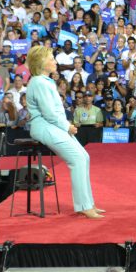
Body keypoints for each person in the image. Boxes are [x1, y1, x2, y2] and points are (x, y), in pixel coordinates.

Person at [25, 46, 103, 219]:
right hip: (44, 126)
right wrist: (67, 126)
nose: (55, 61)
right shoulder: (38, 82)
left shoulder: (45, 81)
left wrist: (65, 125)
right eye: (51, 58)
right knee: (77, 158)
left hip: (54, 125)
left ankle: (88, 203)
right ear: (41, 62)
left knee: (84, 157)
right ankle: (83, 206)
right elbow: (49, 113)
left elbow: (54, 113)